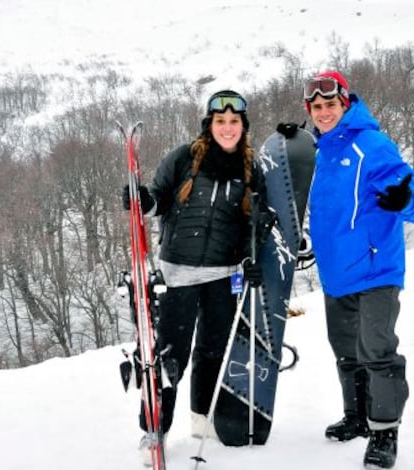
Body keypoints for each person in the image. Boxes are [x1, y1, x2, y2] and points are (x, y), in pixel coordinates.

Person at [122, 90, 270, 465]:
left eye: (234, 122)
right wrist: (141, 199)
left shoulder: (253, 169)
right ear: (210, 125)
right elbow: (159, 201)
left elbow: (256, 224)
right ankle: (154, 430)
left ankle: (203, 420)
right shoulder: (183, 158)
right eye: (220, 121)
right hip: (179, 274)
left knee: (213, 352)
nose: (227, 128)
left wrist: (252, 258)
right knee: (170, 357)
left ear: (243, 126)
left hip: (224, 275)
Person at [303, 71, 414, 469]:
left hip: (376, 269)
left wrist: (405, 198)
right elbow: (326, 212)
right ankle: (357, 417)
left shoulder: (371, 143)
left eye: (331, 104)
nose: (324, 112)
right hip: (336, 272)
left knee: (377, 351)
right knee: (346, 352)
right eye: (317, 107)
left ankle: (384, 433)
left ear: (346, 103)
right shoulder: (321, 150)